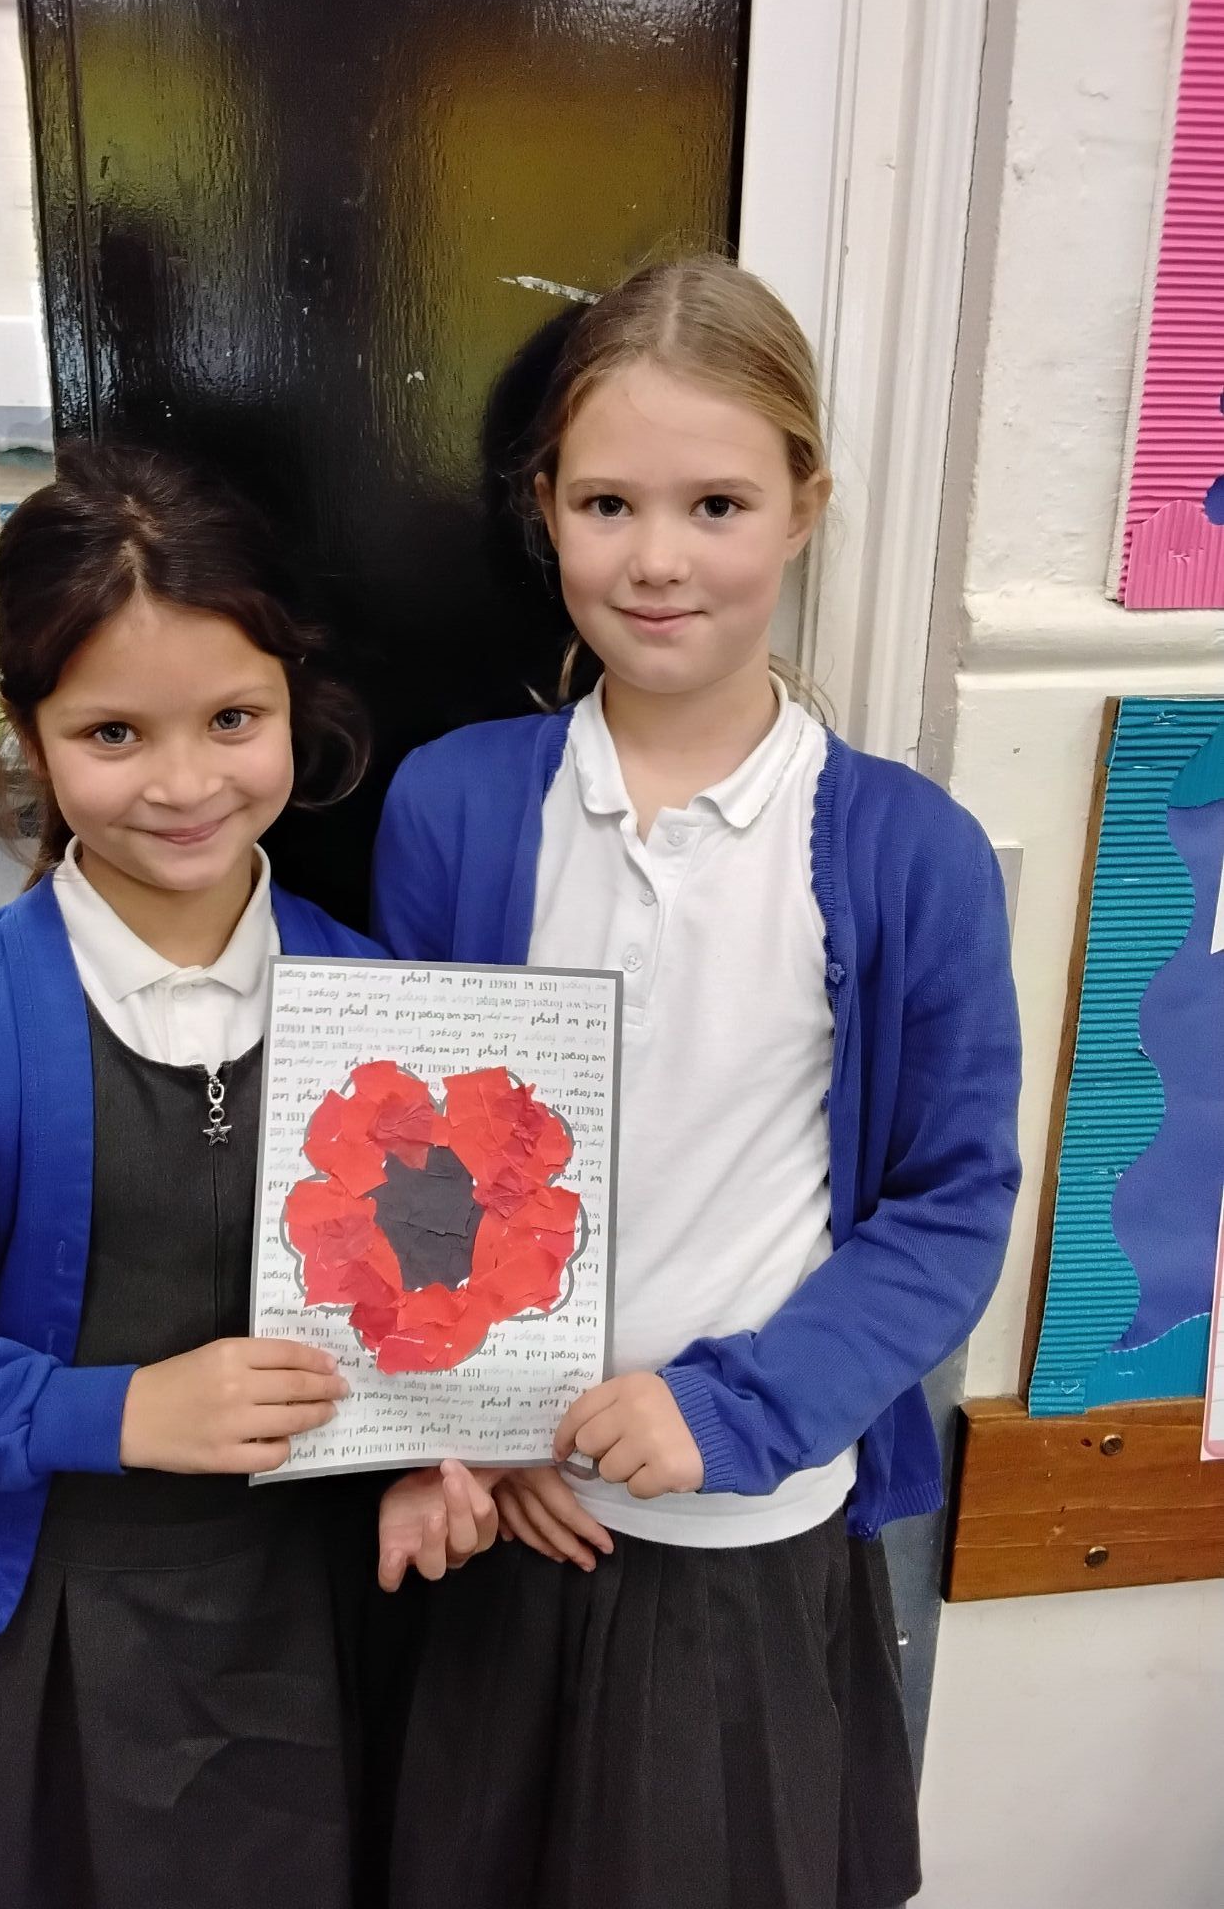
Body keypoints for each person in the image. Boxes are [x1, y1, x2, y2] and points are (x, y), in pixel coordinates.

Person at [370, 256, 1022, 1909]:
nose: (658, 559)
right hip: (504, 1524)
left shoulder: (901, 852)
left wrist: (727, 1409)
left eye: (717, 501)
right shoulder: (454, 809)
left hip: (744, 1540)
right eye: (608, 504)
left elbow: (947, 1210)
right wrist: (454, 1423)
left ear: (804, 505)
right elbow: (395, 1162)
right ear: (545, 512)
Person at [0, 443, 410, 1908]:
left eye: (233, 718)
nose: (184, 785)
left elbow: (431, 1315)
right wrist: (118, 1409)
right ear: (30, 735)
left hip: (321, 1606)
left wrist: (446, 1447)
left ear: (292, 703)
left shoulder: (377, 998)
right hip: (71, 1623)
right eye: (114, 733)